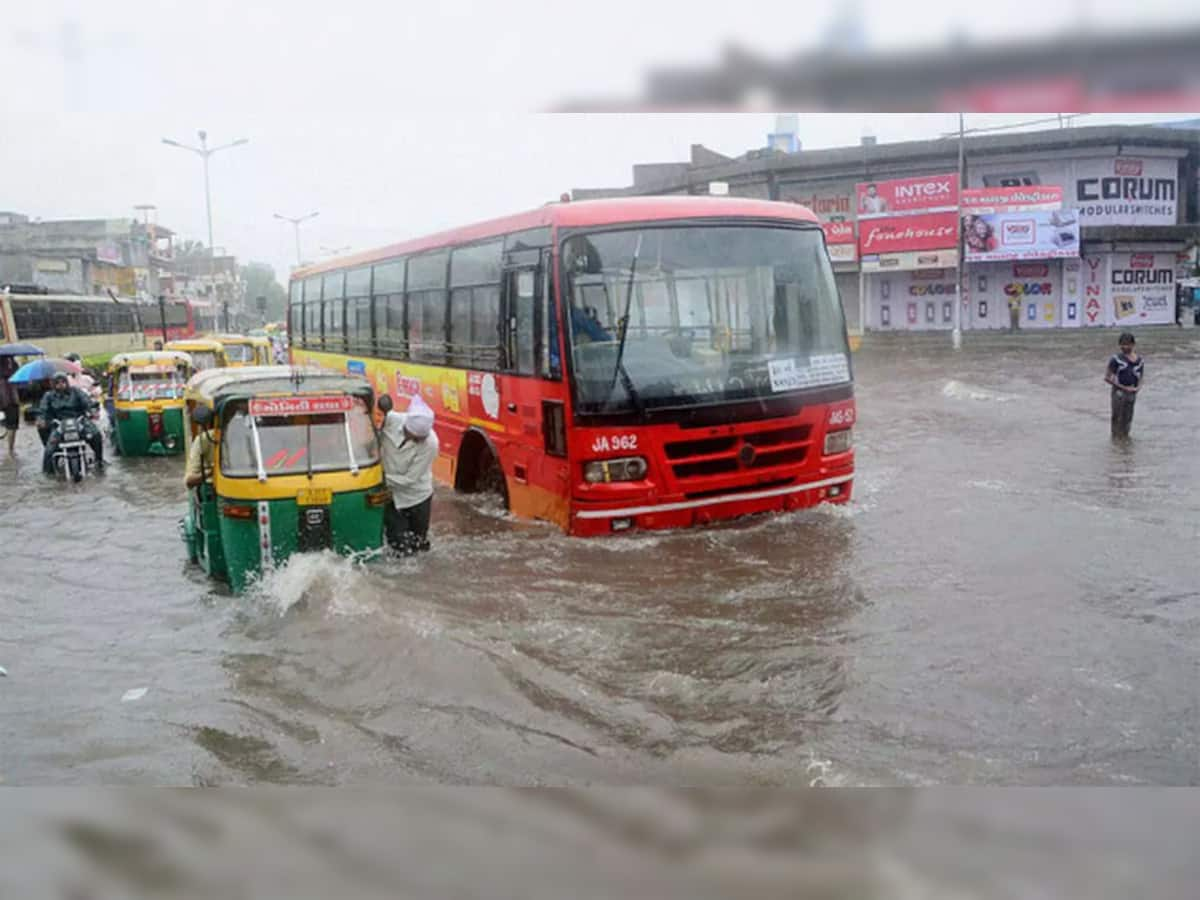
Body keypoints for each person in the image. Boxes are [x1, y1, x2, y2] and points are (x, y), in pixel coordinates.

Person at [377, 393, 438, 554]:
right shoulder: (391, 421)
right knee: (398, 545)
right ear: (405, 428)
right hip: (391, 496)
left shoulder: (430, 444)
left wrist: (380, 480)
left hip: (418, 497)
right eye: (413, 437)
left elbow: (410, 479)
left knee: (419, 545)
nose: (417, 441)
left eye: (420, 439)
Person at [38, 372, 104, 474]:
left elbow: (86, 401)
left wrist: (92, 410)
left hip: (79, 421)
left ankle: (99, 461)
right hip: (59, 424)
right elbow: (43, 409)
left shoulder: (76, 391)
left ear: (67, 382)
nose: (61, 384)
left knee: (96, 435)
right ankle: (48, 473)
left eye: (63, 382)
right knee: (49, 449)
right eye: (58, 382)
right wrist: (42, 419)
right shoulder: (49, 396)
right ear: (53, 384)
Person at [1105, 332, 1144, 439]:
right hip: (1119, 393)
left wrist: (1138, 387)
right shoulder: (1116, 359)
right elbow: (1107, 378)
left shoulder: (1140, 361)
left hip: (1132, 393)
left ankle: (1125, 441)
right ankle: (1115, 441)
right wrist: (1123, 387)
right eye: (1122, 344)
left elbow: (1141, 377)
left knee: (1128, 419)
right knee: (1117, 418)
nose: (1124, 347)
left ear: (1133, 345)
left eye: (1127, 344)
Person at [184, 406, 216, 489]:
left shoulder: (204, 438)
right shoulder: (206, 439)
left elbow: (189, 480)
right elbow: (190, 480)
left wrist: (211, 472)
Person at [0, 356, 20, 456]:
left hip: (9, 397)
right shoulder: (11, 363)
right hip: (9, 397)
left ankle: (11, 449)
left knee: (11, 425)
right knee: (12, 425)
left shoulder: (12, 362)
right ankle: (11, 450)